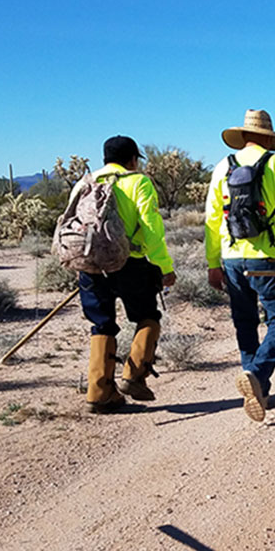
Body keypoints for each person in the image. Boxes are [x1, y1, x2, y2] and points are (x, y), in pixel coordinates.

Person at [204, 109, 275, 422]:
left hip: (232, 257)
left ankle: (257, 386)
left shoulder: (222, 166)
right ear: (268, 137)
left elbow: (212, 219)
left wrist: (213, 263)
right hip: (270, 259)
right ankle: (258, 375)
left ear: (243, 135)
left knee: (245, 322)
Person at [76, 135, 176, 413]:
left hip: (90, 264)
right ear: (133, 159)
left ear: (105, 159)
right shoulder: (138, 182)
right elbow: (152, 229)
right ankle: (133, 376)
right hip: (129, 264)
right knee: (147, 316)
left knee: (102, 324)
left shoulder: (85, 183)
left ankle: (99, 392)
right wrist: (164, 267)